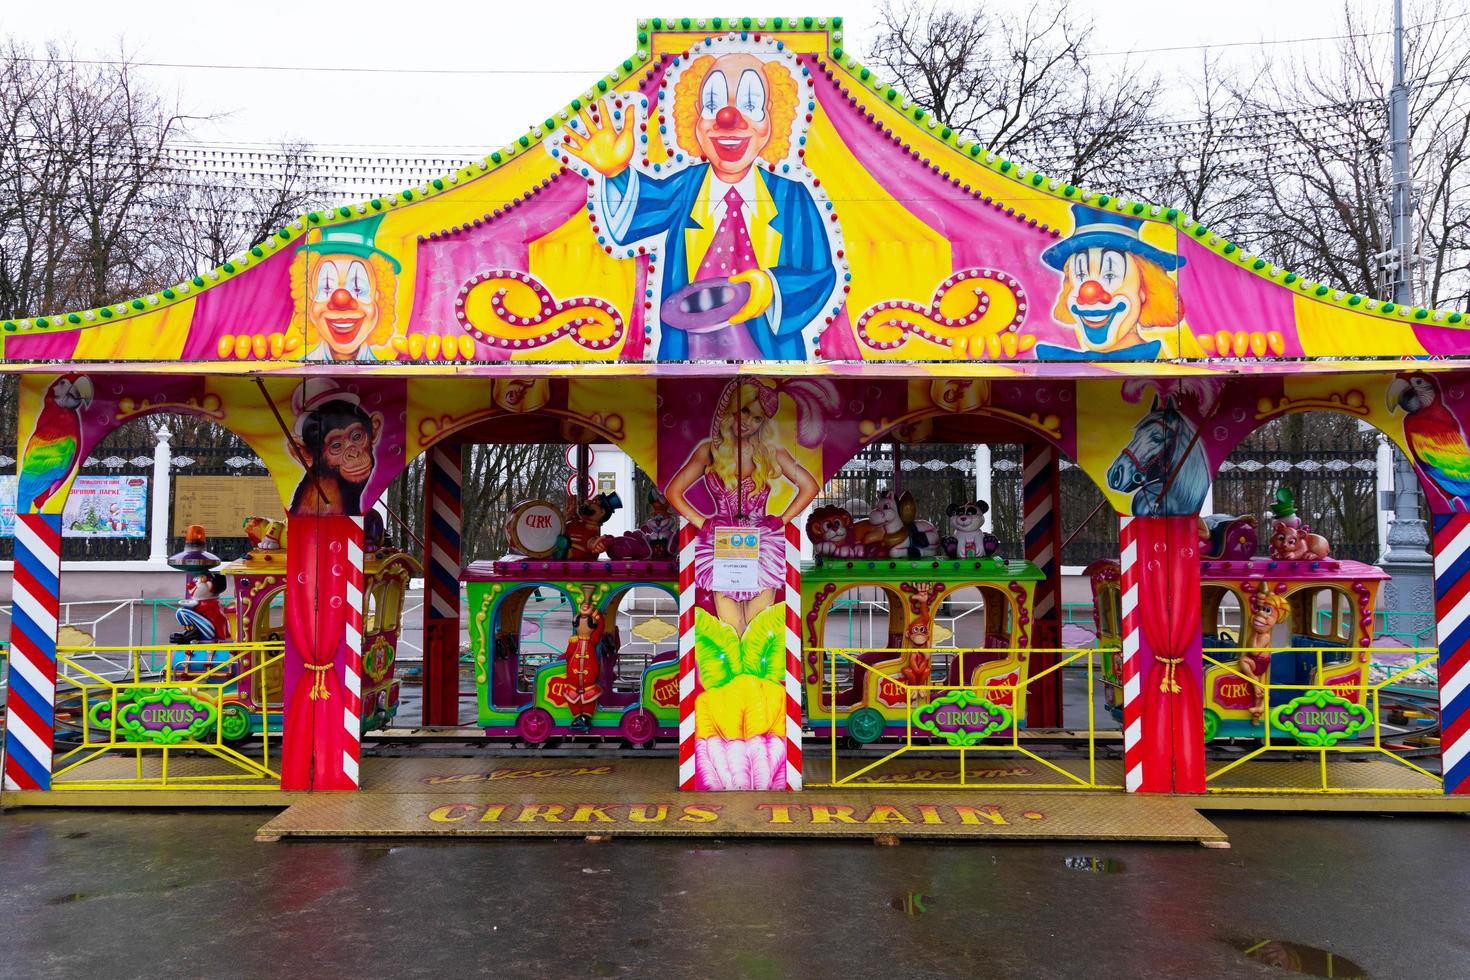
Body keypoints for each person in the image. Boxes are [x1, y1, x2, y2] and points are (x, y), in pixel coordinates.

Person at [556, 43, 838, 361]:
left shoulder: (792, 197)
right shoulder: (685, 188)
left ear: (773, 119)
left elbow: (820, 274)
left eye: (751, 102)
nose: (728, 117)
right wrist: (617, 173)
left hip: (774, 362)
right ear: (694, 121)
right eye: (712, 103)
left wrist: (769, 288)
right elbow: (633, 219)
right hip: (685, 363)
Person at [664, 378, 832, 633]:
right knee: (730, 626)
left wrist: (781, 520)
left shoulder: (771, 452)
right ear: (732, 407)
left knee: (759, 625)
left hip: (761, 543)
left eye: (757, 418)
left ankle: (755, 674)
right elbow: (673, 492)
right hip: (721, 544)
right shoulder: (709, 451)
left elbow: (810, 486)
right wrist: (703, 523)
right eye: (745, 412)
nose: (749, 423)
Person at [562, 600, 605, 732]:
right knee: (572, 696)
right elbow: (567, 655)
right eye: (580, 623)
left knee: (589, 696)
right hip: (573, 680)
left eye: (586, 623)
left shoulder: (592, 640)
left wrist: (594, 613)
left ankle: (585, 718)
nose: (583, 626)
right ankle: (577, 717)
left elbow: (601, 626)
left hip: (589, 679)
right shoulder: (574, 640)